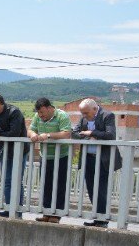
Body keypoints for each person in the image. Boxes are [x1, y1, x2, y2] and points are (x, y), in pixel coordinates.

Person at [72, 98, 122, 227]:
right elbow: (75, 133)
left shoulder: (107, 115)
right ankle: (98, 217)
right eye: (82, 113)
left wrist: (92, 132)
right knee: (91, 189)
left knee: (101, 189)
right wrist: (89, 136)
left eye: (86, 113)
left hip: (103, 159)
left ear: (95, 109)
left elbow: (110, 135)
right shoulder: (84, 117)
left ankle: (102, 219)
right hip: (88, 158)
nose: (84, 116)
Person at [28, 97, 73, 223]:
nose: (40, 115)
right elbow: (31, 129)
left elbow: (66, 133)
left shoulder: (61, 115)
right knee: (46, 185)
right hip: (45, 156)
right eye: (39, 113)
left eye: (42, 112)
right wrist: (32, 134)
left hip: (61, 156)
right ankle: (46, 212)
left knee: (59, 185)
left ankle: (56, 215)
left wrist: (48, 135)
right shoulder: (38, 116)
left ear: (49, 108)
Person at [0, 93, 27, 218]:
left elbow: (15, 132)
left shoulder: (14, 112)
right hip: (5, 151)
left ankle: (17, 210)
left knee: (16, 180)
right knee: (7, 180)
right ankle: (9, 208)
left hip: (18, 151)